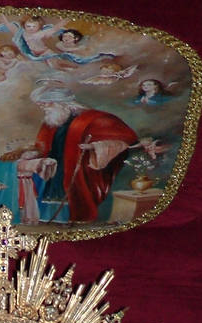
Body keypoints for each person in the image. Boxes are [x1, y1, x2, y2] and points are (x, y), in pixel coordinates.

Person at [26, 86, 138, 223]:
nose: (42, 107)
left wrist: (94, 147)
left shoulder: (93, 118)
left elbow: (126, 139)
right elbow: (43, 144)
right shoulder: (52, 120)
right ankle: (52, 219)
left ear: (61, 103)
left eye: (46, 103)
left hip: (79, 168)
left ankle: (71, 220)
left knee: (74, 195)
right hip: (55, 166)